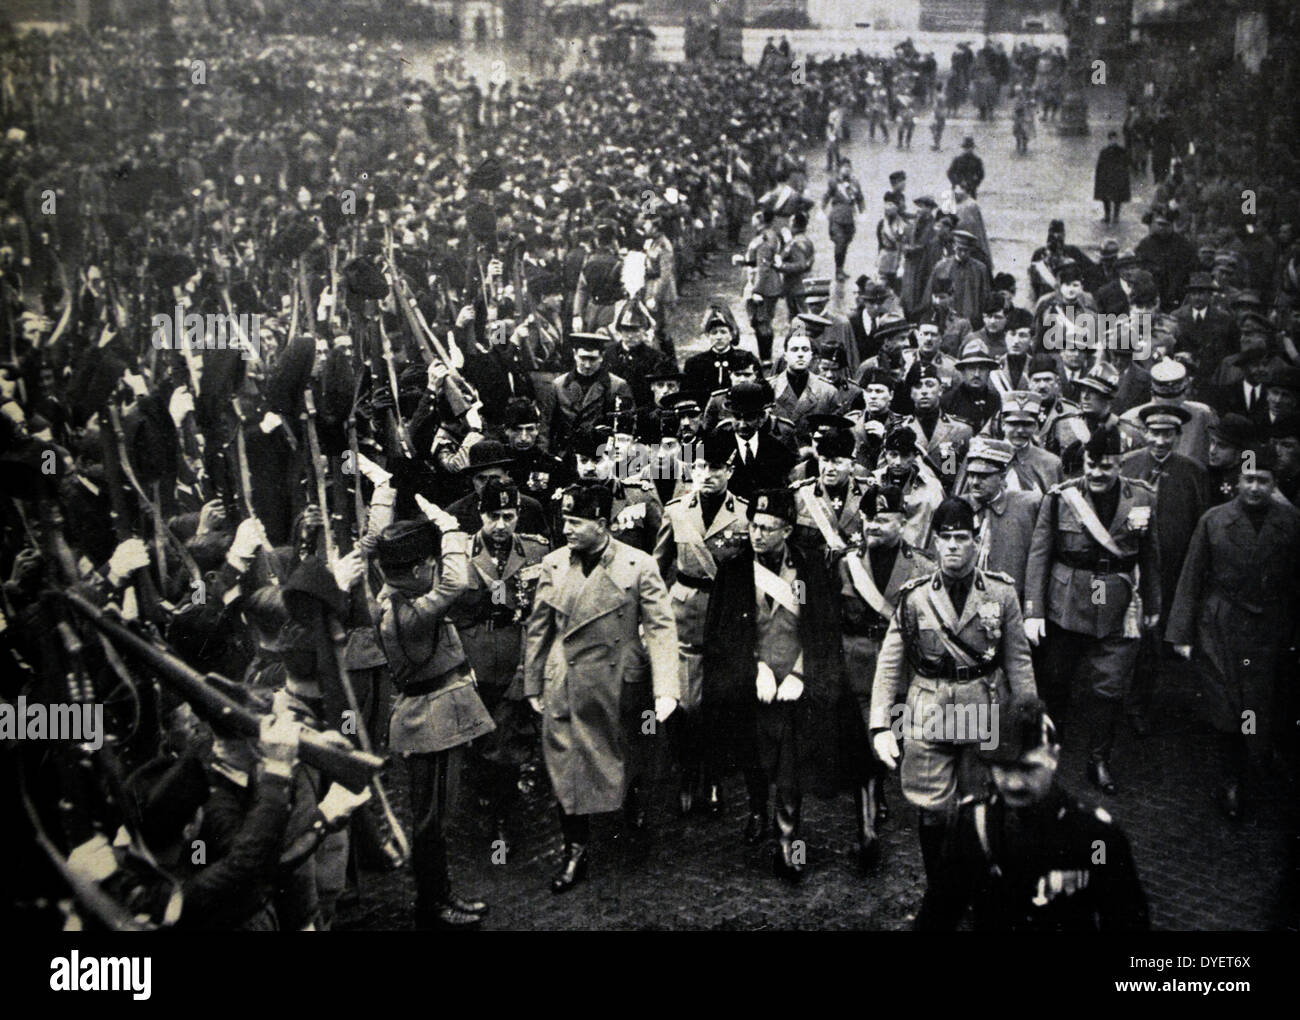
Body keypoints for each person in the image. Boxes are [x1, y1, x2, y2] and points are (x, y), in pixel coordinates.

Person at [869, 496, 1036, 918]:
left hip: (982, 710)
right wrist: (880, 726)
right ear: (935, 543)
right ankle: (940, 893)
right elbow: (890, 666)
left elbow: (1017, 659)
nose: (954, 547)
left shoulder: (1000, 592)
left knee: (980, 810)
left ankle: (981, 892)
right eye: (945, 539)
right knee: (931, 813)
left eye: (962, 538)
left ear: (977, 541)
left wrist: (1028, 721)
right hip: (928, 711)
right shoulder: (914, 597)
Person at [523, 483, 679, 892]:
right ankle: (575, 849)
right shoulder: (554, 564)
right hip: (567, 681)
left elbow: (661, 628)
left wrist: (666, 688)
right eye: (565, 520)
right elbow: (538, 628)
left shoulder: (639, 564)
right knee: (565, 765)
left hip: (620, 683)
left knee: (626, 755)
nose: (567, 529)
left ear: (602, 524)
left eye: (576, 522)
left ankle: (632, 805)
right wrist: (532, 681)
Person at [702, 487, 845, 880]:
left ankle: (788, 838)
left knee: (789, 762)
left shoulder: (811, 569)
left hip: (795, 682)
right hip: (754, 681)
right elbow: (720, 634)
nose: (757, 534)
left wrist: (800, 672)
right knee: (754, 753)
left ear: (787, 531)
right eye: (753, 525)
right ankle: (755, 809)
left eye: (767, 527)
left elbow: (823, 630)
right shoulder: (733, 571)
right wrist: (755, 668)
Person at [920, 695, 1150, 930]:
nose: (1014, 783)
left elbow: (1127, 920)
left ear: (1054, 757)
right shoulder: (973, 826)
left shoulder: (1095, 839)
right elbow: (937, 915)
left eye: (1028, 768)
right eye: (1003, 768)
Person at [1023, 425, 1161, 795]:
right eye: (1093, 465)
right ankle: (1052, 749)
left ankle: (1099, 759)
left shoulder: (1142, 497)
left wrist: (1153, 604)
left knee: (1110, 688)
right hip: (1066, 603)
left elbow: (1151, 556)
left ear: (1120, 465)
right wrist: (1033, 611)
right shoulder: (1060, 497)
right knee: (1055, 680)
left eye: (1108, 466)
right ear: (1084, 463)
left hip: (1115, 603)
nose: (1099, 473)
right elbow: (1040, 555)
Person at [374, 513, 495, 929]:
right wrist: (450, 530)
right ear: (416, 569)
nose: (435, 569)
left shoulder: (393, 595)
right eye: (430, 563)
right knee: (432, 821)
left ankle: (441, 895)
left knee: (435, 818)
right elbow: (455, 583)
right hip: (431, 720)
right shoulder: (407, 611)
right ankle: (433, 905)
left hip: (434, 713)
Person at [1167, 446, 1300, 820]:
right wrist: (1181, 632)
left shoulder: (1290, 523)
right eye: (1248, 480)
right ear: (1236, 481)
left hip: (1270, 626)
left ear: (1274, 484)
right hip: (1220, 624)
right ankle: (1232, 780)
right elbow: (1191, 577)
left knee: (1261, 704)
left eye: (1263, 481)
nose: (1255, 488)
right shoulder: (1214, 520)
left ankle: (1256, 765)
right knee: (1227, 706)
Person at [448, 478, 550, 861]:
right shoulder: (458, 553)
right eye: (493, 516)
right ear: (480, 513)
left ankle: (502, 820)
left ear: (519, 515)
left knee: (507, 743)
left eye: (509, 516)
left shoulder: (538, 552)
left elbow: (543, 613)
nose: (501, 525)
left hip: (516, 657)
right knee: (476, 741)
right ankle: (482, 805)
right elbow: (449, 616)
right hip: (473, 659)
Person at [654, 427, 751, 815]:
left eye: (714, 468)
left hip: (726, 613)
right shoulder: (676, 511)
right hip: (686, 613)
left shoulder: (745, 513)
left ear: (728, 470)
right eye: (698, 467)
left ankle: (711, 776)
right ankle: (687, 772)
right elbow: (657, 569)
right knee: (685, 701)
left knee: (718, 700)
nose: (705, 475)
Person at [837, 483, 934, 867]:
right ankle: (866, 832)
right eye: (868, 518)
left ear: (903, 521)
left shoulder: (924, 566)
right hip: (857, 665)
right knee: (863, 745)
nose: (873, 525)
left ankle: (882, 792)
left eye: (883, 518)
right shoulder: (845, 564)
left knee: (893, 737)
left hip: (900, 671)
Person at [823, 159, 864, 282]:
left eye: (849, 167)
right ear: (839, 169)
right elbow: (826, 196)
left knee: (846, 242)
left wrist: (863, 212)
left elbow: (860, 198)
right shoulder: (834, 182)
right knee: (840, 243)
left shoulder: (855, 183)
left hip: (850, 217)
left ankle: (841, 268)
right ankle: (838, 270)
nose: (846, 169)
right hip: (837, 217)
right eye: (844, 167)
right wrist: (821, 209)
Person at [1093, 131, 1131, 225]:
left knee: (1118, 198)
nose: (1113, 141)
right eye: (1111, 139)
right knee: (1106, 198)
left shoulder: (1121, 151)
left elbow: (1126, 163)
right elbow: (1100, 165)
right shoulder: (1104, 151)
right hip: (1107, 177)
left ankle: (1116, 216)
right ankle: (1107, 215)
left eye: (1115, 139)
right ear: (1109, 140)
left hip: (1118, 177)